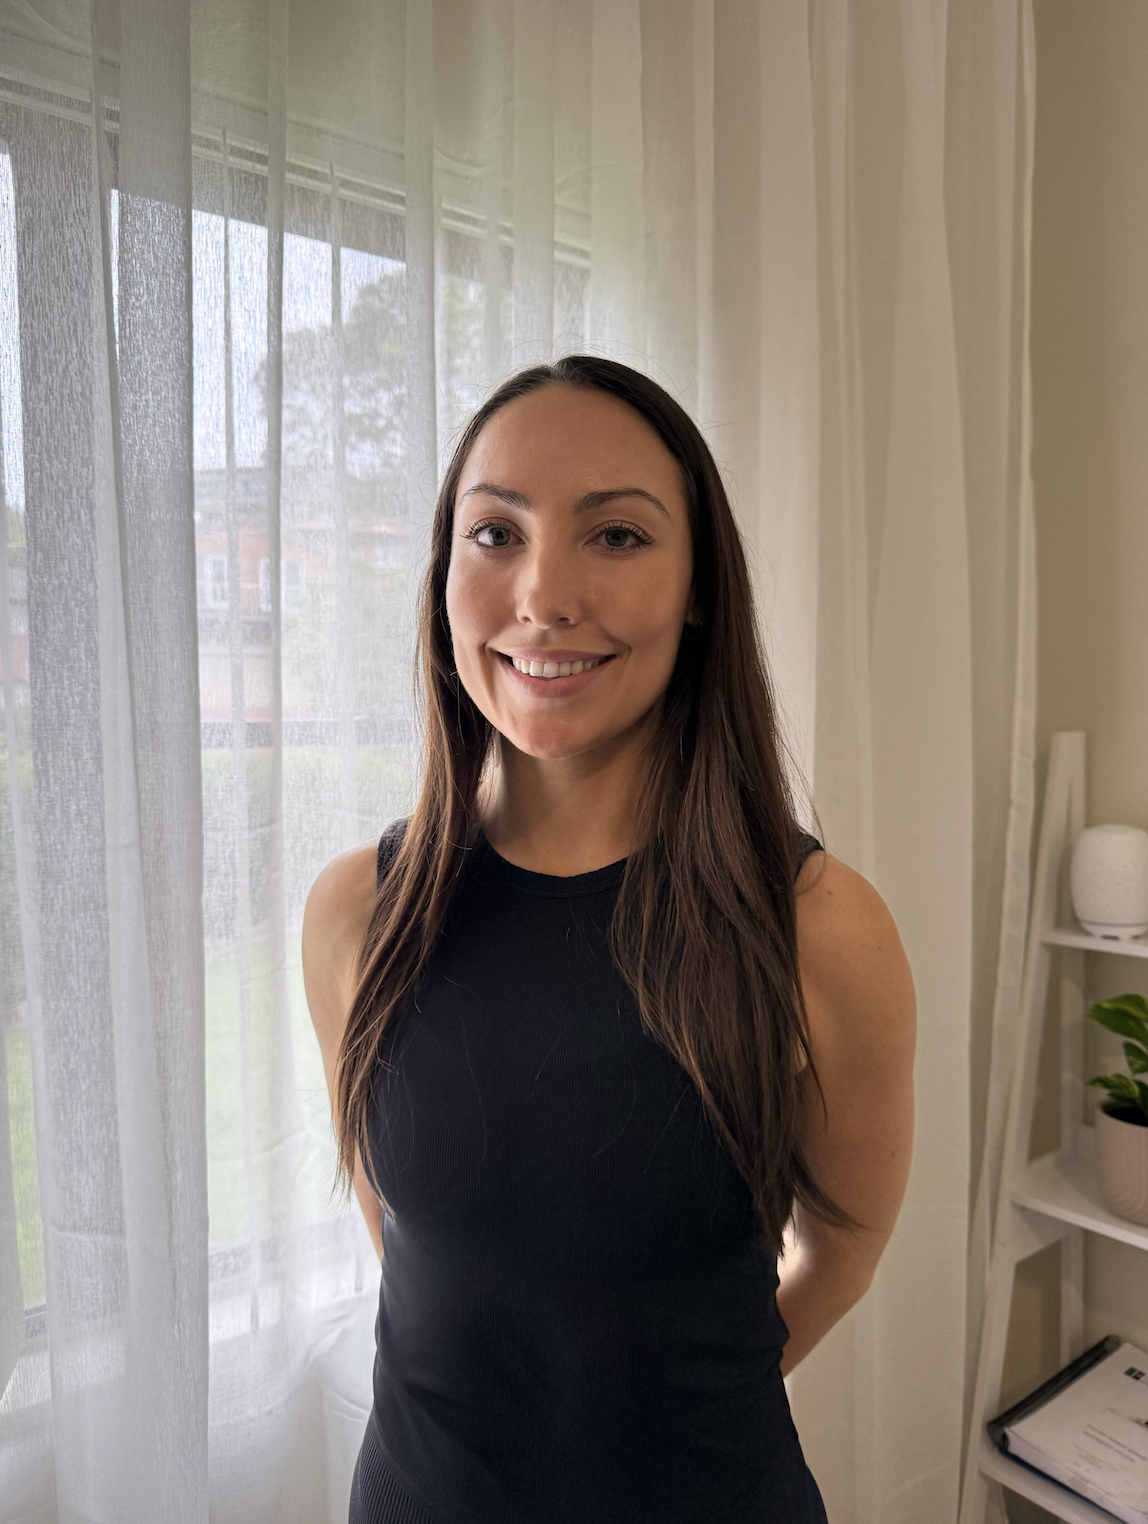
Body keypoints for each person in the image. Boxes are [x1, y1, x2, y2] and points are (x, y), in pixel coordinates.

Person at [302, 356, 916, 1523]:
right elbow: (415, 1241)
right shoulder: (355, 913)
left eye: (617, 537)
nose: (542, 595)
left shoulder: (819, 931)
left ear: (696, 588)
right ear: (444, 575)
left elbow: (837, 1259)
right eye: (495, 533)